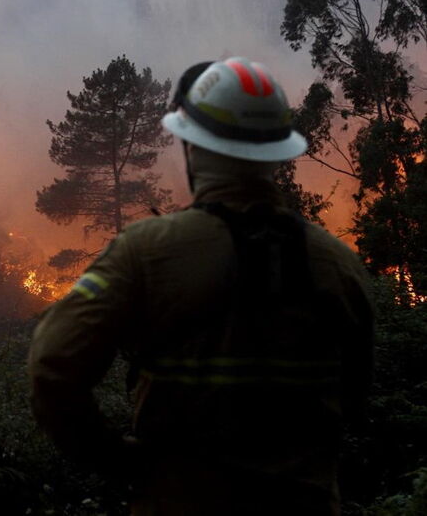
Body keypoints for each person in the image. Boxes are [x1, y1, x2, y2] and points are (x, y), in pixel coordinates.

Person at [28, 57, 374, 515]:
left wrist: (116, 457)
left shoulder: (147, 251)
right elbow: (353, 395)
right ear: (278, 150)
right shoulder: (341, 265)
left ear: (193, 147)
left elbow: (52, 365)